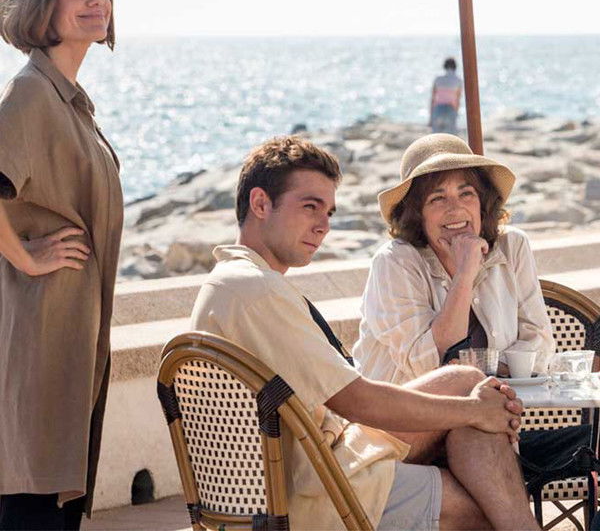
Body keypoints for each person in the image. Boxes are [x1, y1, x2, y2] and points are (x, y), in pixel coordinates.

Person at [191, 135, 540, 531]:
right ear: (260, 204)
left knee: (464, 381)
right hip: (316, 487)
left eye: (329, 212)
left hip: (312, 460)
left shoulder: (235, 282)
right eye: (310, 207)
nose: (323, 226)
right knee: (484, 503)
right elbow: (357, 400)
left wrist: (474, 404)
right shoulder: (256, 291)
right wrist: (476, 410)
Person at [353, 132, 589, 486]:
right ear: (417, 214)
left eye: (466, 193)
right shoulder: (395, 263)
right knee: (477, 425)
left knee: (588, 443)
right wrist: (465, 271)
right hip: (405, 440)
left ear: (482, 204)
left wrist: (490, 376)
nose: (455, 209)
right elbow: (428, 364)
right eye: (437, 198)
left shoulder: (512, 246)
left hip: (489, 426)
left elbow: (540, 346)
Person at [0, 0, 122, 530]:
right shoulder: (30, 94)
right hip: (39, 337)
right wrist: (26, 257)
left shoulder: (68, 99)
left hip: (70, 336)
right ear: (40, 2)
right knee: (33, 507)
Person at [430, 57, 462, 135]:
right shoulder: (458, 80)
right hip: (451, 108)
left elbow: (433, 98)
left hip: (438, 108)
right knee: (451, 136)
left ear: (444, 66)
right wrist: (456, 112)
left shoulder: (438, 79)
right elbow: (458, 99)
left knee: (436, 136)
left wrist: (431, 116)